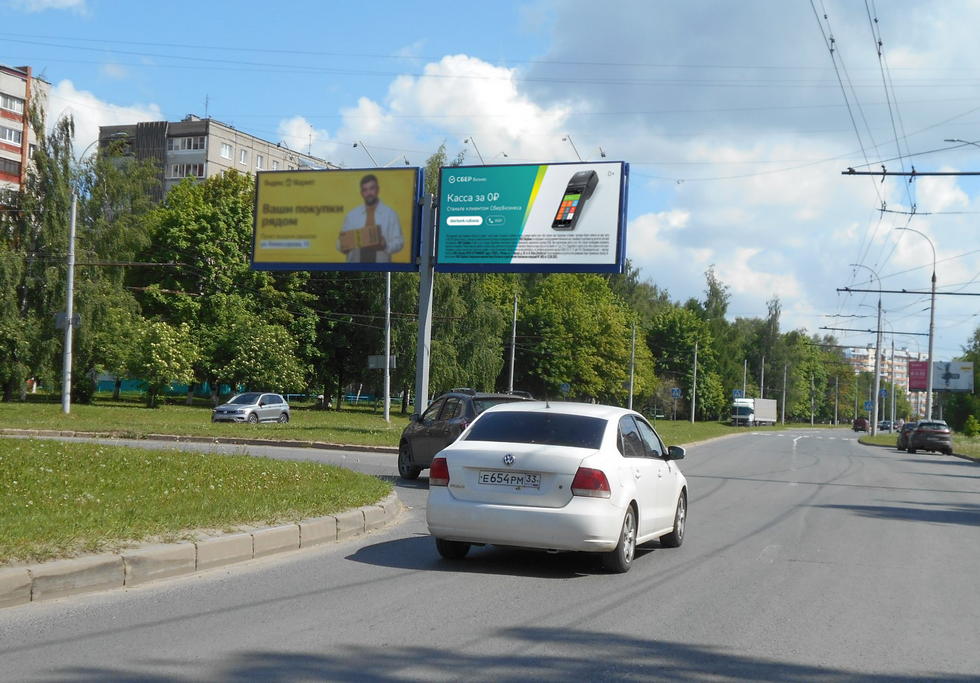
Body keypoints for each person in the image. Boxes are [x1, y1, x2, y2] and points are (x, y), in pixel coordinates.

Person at [337, 174, 404, 263]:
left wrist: (385, 245)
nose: (369, 193)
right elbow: (339, 243)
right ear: (361, 193)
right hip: (354, 268)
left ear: (377, 189)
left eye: (371, 188)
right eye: (365, 190)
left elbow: (399, 242)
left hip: (380, 269)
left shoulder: (390, 214)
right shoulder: (352, 215)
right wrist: (344, 246)